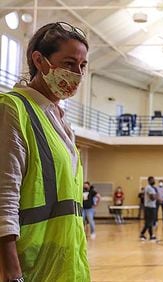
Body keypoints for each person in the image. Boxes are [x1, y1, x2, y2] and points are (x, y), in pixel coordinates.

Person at [0, 22, 91, 281]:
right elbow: (4, 196)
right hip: (29, 265)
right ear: (39, 60)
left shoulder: (60, 120)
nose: (77, 74)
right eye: (69, 64)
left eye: (82, 66)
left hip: (66, 264)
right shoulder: (12, 108)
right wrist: (12, 272)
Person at [140, 176, 157, 240]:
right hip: (150, 207)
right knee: (149, 221)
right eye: (152, 180)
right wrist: (156, 196)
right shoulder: (149, 188)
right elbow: (152, 198)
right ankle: (142, 233)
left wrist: (155, 196)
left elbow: (153, 196)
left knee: (150, 222)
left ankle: (151, 235)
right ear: (149, 181)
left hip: (151, 206)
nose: (153, 181)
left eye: (154, 180)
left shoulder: (152, 188)